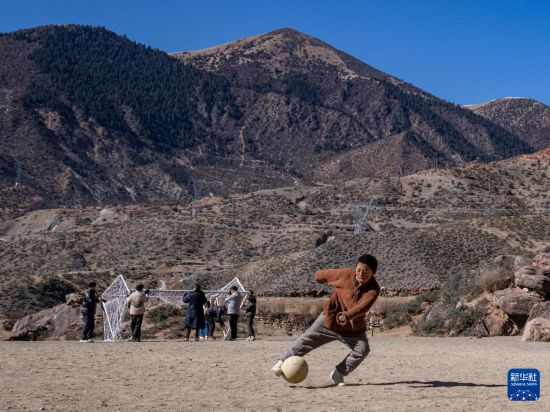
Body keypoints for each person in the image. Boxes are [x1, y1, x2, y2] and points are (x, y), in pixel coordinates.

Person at [271, 254, 380, 386]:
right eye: (359, 270)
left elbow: (363, 308)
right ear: (355, 268)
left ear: (373, 273)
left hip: (352, 328)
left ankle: (339, 373)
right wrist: (318, 276)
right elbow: (325, 275)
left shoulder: (374, 289)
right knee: (305, 340)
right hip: (329, 320)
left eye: (366, 272)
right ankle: (281, 362)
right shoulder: (345, 275)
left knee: (362, 350)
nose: (361, 274)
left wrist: (347, 316)